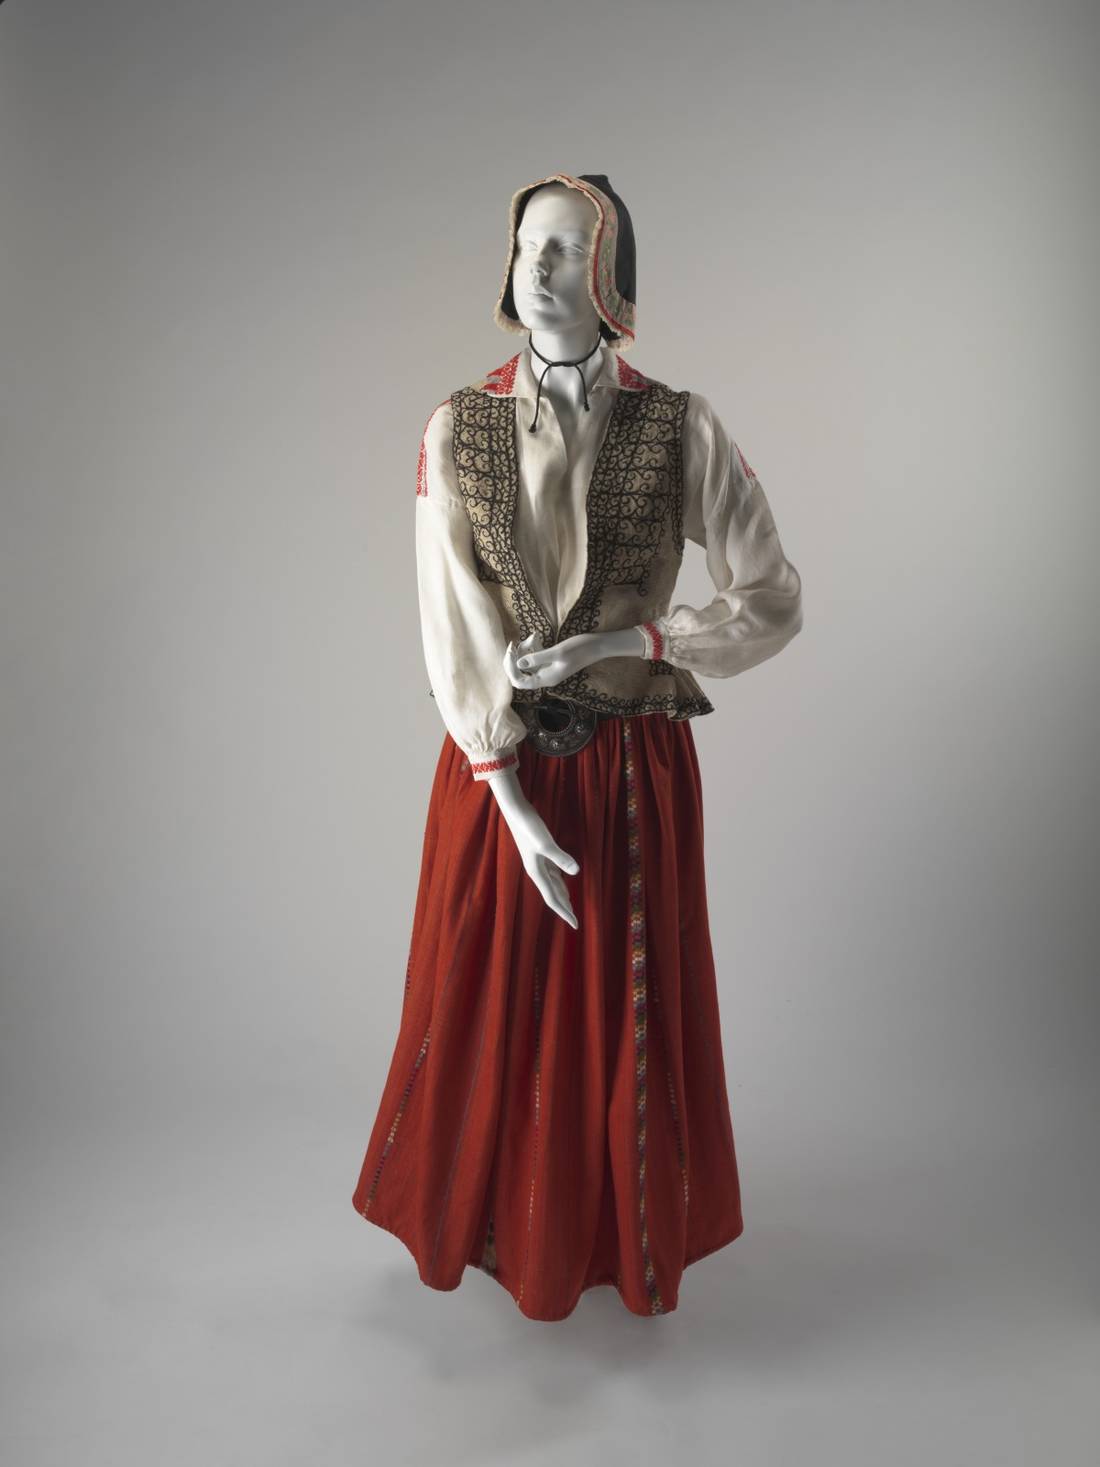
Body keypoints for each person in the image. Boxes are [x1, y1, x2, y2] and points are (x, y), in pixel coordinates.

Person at [351, 172, 803, 1322]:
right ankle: (505, 1227)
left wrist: (641, 634)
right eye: (524, 248)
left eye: (563, 250)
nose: (539, 270)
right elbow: (447, 613)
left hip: (631, 773)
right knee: (487, 999)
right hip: (497, 768)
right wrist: (503, 790)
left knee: (623, 1009)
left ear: (611, 279)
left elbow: (771, 596)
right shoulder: (457, 425)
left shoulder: (678, 422)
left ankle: (612, 1232)